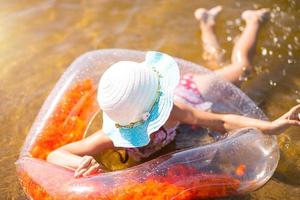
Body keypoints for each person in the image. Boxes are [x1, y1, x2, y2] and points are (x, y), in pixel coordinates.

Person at [47, 7, 300, 178]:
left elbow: (221, 121)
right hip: (167, 96)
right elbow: (55, 154)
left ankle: (253, 20)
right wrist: (80, 164)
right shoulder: (114, 137)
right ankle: (206, 22)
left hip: (190, 92)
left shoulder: (172, 109)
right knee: (216, 66)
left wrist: (271, 126)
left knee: (241, 69)